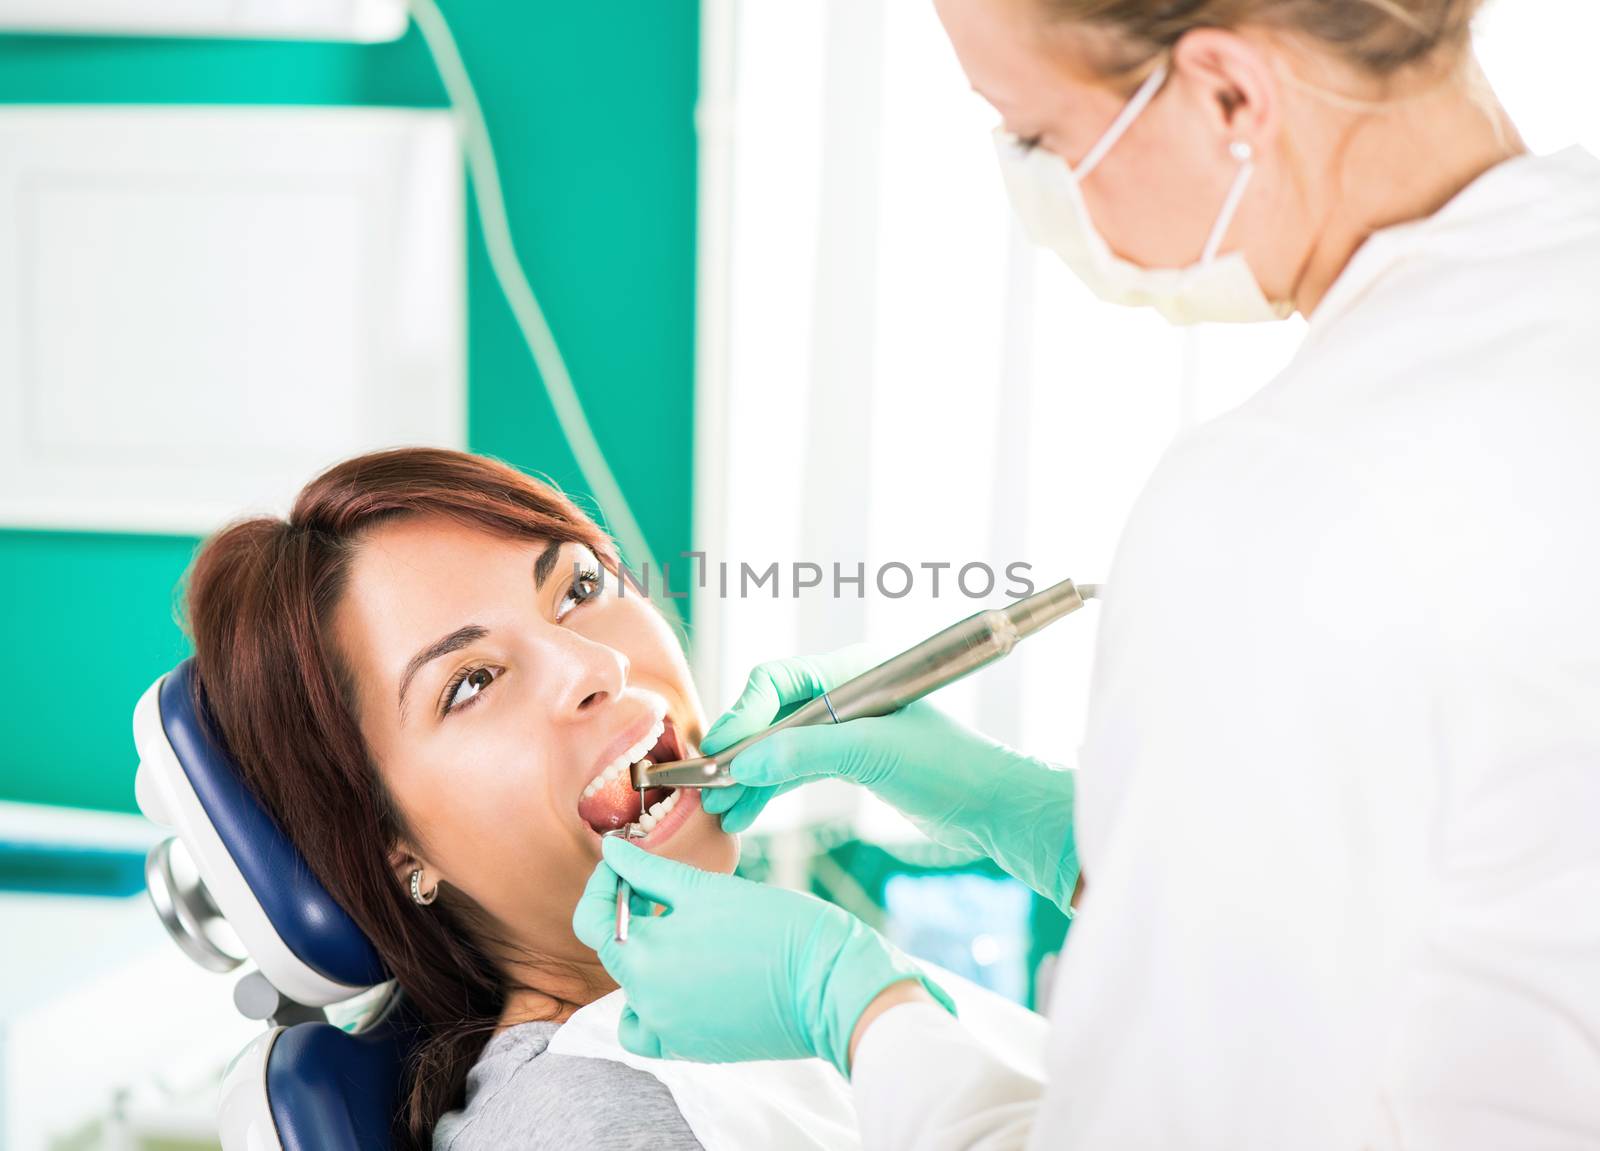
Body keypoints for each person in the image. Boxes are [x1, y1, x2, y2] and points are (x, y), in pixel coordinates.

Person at [574, 1, 1600, 1147]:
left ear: (1227, 93)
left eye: (1037, 136)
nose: (1038, 191)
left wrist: (858, 1008)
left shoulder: (1290, 494)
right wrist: (1074, 834)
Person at [183, 447, 956, 1150]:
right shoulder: (584, 1123)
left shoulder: (771, 1001)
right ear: (396, 848)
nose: (598, 664)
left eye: (578, 587)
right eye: (471, 682)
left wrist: (1062, 848)